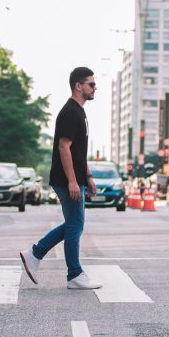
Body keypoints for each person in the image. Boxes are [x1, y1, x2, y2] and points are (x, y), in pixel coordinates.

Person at [20, 67, 103, 290]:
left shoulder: (79, 112)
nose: (95, 88)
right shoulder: (70, 112)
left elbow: (78, 152)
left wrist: (88, 176)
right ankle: (74, 274)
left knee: (73, 224)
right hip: (67, 180)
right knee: (75, 225)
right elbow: (64, 147)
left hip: (75, 178)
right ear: (79, 86)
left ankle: (35, 254)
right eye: (91, 84)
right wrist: (73, 181)